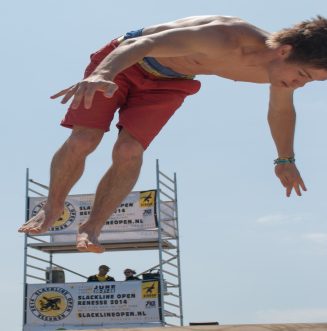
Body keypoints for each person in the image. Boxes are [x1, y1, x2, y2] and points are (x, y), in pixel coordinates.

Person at [18, 15, 327, 253]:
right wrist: (102, 73)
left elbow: (281, 110)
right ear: (284, 51)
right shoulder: (225, 38)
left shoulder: (277, 74)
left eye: (310, 81)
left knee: (129, 151)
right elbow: (141, 45)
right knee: (85, 139)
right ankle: (53, 206)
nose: (299, 84)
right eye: (302, 75)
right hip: (125, 60)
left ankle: (92, 226)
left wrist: (285, 159)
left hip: (171, 79)